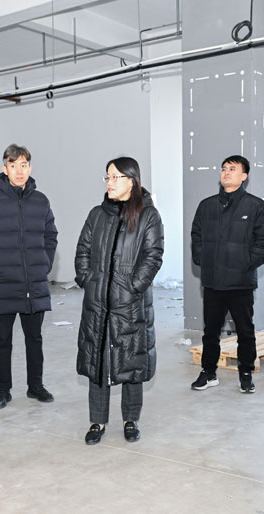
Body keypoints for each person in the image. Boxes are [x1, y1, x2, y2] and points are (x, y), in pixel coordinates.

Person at [74, 157, 164, 445]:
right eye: (107, 177)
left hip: (131, 303)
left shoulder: (148, 215)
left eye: (115, 177)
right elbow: (83, 250)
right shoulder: (97, 215)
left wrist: (133, 287)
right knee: (98, 361)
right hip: (98, 301)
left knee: (131, 361)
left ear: (131, 181)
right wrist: (87, 280)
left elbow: (153, 256)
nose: (109, 182)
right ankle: (97, 421)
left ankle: (130, 419)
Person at [0, 144, 58, 409]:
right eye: (13, 165)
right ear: (4, 168)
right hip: (3, 283)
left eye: (23, 165)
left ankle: (35, 386)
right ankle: (2, 390)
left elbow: (50, 235)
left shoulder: (41, 200)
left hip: (34, 283)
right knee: (3, 340)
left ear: (30, 168)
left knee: (35, 338)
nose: (19, 171)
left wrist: (44, 263)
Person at [190, 154, 264, 393]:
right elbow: (196, 235)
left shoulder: (256, 206)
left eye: (233, 169)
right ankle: (208, 372)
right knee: (210, 332)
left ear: (244, 176)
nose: (226, 172)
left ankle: (246, 373)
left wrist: (247, 262)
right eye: (224, 168)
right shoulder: (206, 206)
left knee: (245, 332)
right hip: (213, 282)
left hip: (240, 282)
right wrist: (202, 258)